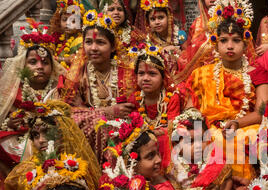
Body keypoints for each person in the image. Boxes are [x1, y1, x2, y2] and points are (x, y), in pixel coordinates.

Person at [184, 1, 262, 181]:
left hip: (245, 126)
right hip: (208, 127)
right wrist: (196, 128)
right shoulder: (201, 74)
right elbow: (191, 109)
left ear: (245, 42)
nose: (229, 46)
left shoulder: (258, 74)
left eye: (236, 40)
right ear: (215, 43)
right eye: (224, 40)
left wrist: (236, 123)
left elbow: (260, 113)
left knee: (251, 137)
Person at [62, 10, 136, 161]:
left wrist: (88, 112)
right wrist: (107, 111)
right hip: (89, 140)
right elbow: (68, 114)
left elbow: (132, 110)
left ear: (113, 46)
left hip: (126, 136)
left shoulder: (128, 73)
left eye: (100, 42)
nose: (93, 48)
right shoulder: (78, 75)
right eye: (88, 42)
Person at [0, 19, 65, 179]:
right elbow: (3, 120)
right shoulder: (13, 91)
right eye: (32, 62)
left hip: (54, 138)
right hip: (21, 138)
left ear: (53, 66)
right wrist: (9, 124)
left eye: (45, 62)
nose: (39, 67)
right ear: (23, 66)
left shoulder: (61, 88)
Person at [169, 108, 233, 190]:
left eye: (201, 140)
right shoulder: (173, 165)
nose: (198, 146)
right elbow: (175, 188)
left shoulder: (213, 157)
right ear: (176, 144)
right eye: (190, 141)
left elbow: (227, 180)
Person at [95, 111, 186, 190]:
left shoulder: (164, 177)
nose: (159, 159)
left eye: (157, 152)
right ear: (131, 163)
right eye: (150, 156)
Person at [127, 41, 182, 169]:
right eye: (141, 73)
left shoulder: (171, 98)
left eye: (152, 74)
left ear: (163, 78)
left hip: (165, 140)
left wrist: (151, 133)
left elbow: (171, 126)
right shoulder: (134, 99)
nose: (145, 78)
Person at [140, 0, 188, 80]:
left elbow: (188, 58)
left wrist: (174, 49)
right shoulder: (148, 40)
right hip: (158, 79)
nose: (157, 22)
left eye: (161, 18)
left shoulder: (180, 35)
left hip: (181, 75)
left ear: (169, 17)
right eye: (152, 19)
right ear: (148, 22)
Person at [50, 0, 85, 70]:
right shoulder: (57, 38)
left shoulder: (80, 40)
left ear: (80, 24)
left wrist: (56, 58)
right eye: (64, 19)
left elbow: (77, 60)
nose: (68, 23)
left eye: (73, 21)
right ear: (59, 21)